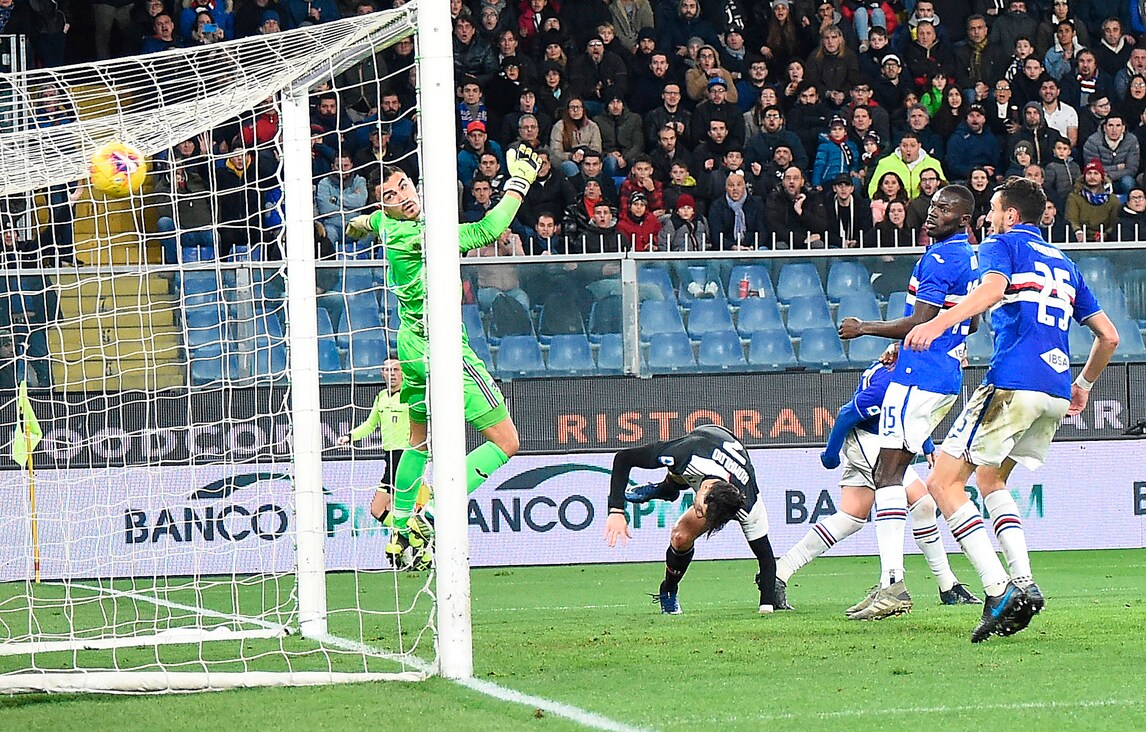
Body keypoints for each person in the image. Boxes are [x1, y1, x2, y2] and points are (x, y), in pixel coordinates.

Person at [904, 176, 1120, 643]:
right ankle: (1023, 581)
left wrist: (938, 323)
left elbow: (989, 292)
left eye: (994, 209)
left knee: (942, 482)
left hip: (1013, 382)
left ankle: (998, 589)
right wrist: (1083, 385)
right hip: (1055, 388)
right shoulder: (1064, 262)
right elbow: (1109, 336)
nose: (988, 218)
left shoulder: (1002, 245)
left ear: (1012, 216)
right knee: (991, 479)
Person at [345, 144, 542, 563]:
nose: (402, 196)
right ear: (385, 205)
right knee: (507, 442)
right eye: (391, 196)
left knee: (417, 441)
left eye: (403, 186)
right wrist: (519, 183)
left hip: (410, 346)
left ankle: (400, 528)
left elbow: (366, 222)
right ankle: (432, 514)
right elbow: (488, 230)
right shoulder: (421, 235)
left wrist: (359, 224)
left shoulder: (384, 222)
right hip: (443, 346)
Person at [836, 184, 979, 620]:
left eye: (945, 209)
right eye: (933, 206)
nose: (933, 213)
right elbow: (971, 325)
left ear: (964, 220)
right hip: (945, 374)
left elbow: (920, 320)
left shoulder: (939, 258)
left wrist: (864, 328)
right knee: (898, 475)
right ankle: (899, 583)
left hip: (919, 376)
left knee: (888, 473)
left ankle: (893, 584)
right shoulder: (971, 258)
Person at [774, 343, 980, 613]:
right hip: (869, 439)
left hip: (883, 440)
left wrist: (927, 444)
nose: (964, 362)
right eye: (960, 356)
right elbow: (848, 413)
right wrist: (830, 454)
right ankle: (933, 585)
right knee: (923, 503)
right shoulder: (889, 382)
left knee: (851, 518)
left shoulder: (915, 372)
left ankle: (778, 573)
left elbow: (912, 412)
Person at [604, 424, 778, 615]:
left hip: (730, 462)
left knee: (681, 537)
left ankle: (669, 489)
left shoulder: (750, 506)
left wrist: (766, 607)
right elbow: (623, 458)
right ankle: (667, 489)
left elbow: (766, 558)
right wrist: (616, 510)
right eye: (701, 510)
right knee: (678, 470)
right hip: (707, 437)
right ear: (704, 489)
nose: (700, 515)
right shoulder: (686, 453)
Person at [337, 358, 412, 529]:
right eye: (388, 370)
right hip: (390, 458)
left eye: (396, 370)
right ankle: (407, 534)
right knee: (381, 509)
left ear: (403, 373)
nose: (392, 374)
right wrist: (350, 436)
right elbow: (370, 424)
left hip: (407, 456)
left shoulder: (410, 395)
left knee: (385, 508)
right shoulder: (381, 397)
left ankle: (411, 536)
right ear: (382, 373)